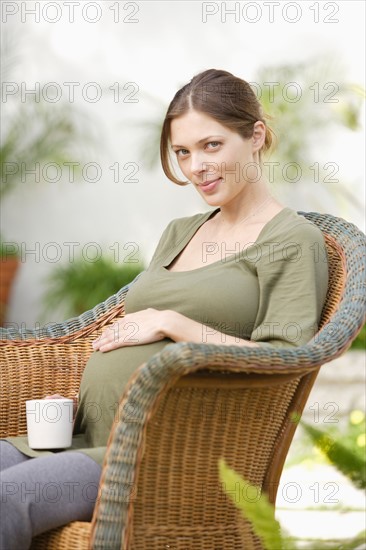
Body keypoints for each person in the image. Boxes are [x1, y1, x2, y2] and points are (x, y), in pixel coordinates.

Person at [0, 68, 329, 548]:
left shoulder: (291, 240)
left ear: (255, 136)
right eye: (183, 152)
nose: (197, 166)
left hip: (161, 453)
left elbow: (287, 358)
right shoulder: (181, 231)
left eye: (211, 145)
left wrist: (173, 323)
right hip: (77, 434)